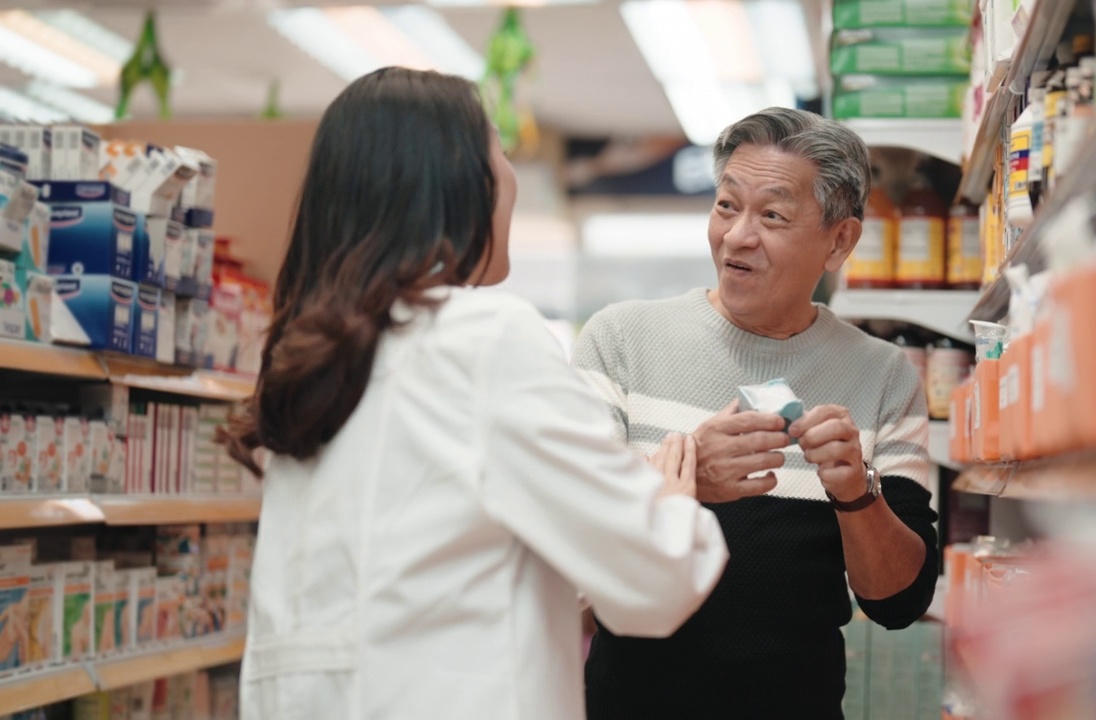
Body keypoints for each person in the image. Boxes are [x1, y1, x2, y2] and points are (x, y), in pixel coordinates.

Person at [226, 68, 729, 720]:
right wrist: (671, 496)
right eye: (498, 151)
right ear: (455, 184)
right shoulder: (483, 337)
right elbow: (655, 579)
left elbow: (437, 567)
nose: (511, 177)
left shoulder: (314, 363)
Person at [574, 107, 939, 719]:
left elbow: (897, 602)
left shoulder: (883, 375)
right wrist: (687, 485)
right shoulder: (620, 341)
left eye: (772, 215)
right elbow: (567, 549)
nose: (738, 235)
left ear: (839, 241)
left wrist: (856, 493)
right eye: (726, 206)